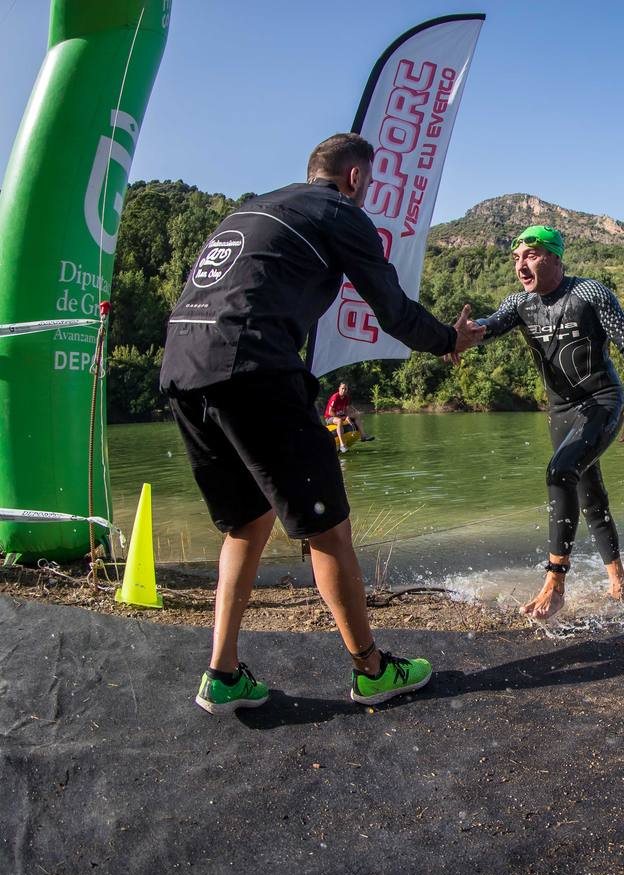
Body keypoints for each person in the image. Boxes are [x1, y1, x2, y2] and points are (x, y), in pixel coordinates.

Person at [159, 133, 486, 713]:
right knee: (328, 531)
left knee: (247, 524)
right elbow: (392, 309)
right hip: (253, 368)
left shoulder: (253, 208)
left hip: (183, 369)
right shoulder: (339, 211)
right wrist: (447, 341)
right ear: (355, 178)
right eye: (371, 183)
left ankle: (224, 674)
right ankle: (372, 671)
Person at [461, 225, 624, 619]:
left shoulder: (589, 293)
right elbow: (490, 324)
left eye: (530, 255)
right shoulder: (519, 304)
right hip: (562, 412)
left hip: (602, 401)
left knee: (559, 471)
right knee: (590, 496)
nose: (520, 265)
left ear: (554, 257)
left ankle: (555, 581)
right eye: (516, 259)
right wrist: (457, 336)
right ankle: (619, 582)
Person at [324, 381, 372, 451]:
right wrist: (341, 418)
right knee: (339, 420)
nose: (343, 390)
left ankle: (363, 436)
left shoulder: (346, 398)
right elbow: (330, 412)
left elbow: (346, 410)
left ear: (347, 390)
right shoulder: (335, 397)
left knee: (357, 415)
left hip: (341, 416)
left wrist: (347, 416)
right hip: (330, 417)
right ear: (339, 388)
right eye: (342, 388)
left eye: (345, 389)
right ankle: (342, 444)